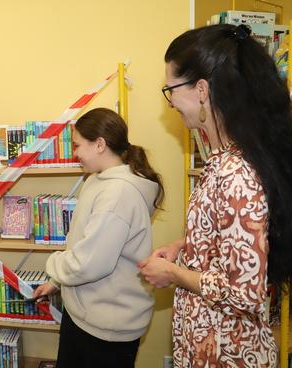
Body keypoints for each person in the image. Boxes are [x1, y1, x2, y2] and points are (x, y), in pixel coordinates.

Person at [139, 24, 292, 367]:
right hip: (209, 342)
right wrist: (185, 245)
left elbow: (245, 294)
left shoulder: (235, 174)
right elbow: (233, 238)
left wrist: (174, 274)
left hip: (228, 351)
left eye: (171, 88)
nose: (171, 101)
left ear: (202, 90)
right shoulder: (223, 159)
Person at [33, 107, 164, 367]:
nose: (75, 153)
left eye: (77, 145)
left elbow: (89, 263)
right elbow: (88, 245)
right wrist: (58, 282)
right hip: (86, 316)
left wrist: (53, 264)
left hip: (106, 330)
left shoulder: (118, 194)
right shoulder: (97, 180)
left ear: (100, 144)